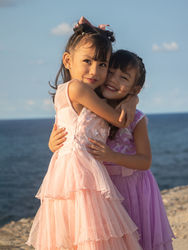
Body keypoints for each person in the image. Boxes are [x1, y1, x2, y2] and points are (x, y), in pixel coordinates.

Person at [26, 22, 142, 250]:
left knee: (82, 235)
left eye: (102, 65)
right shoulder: (77, 89)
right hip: (80, 173)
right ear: (68, 61)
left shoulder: (77, 91)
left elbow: (63, 127)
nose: (94, 71)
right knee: (88, 233)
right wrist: (131, 99)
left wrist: (91, 28)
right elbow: (119, 120)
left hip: (76, 170)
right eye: (87, 62)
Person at [49, 49, 175, 250]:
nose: (113, 80)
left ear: (136, 88)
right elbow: (68, 127)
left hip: (134, 189)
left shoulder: (135, 118)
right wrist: (52, 142)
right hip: (101, 190)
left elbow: (145, 161)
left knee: (137, 240)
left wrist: (112, 156)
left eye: (123, 77)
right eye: (110, 72)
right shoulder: (89, 108)